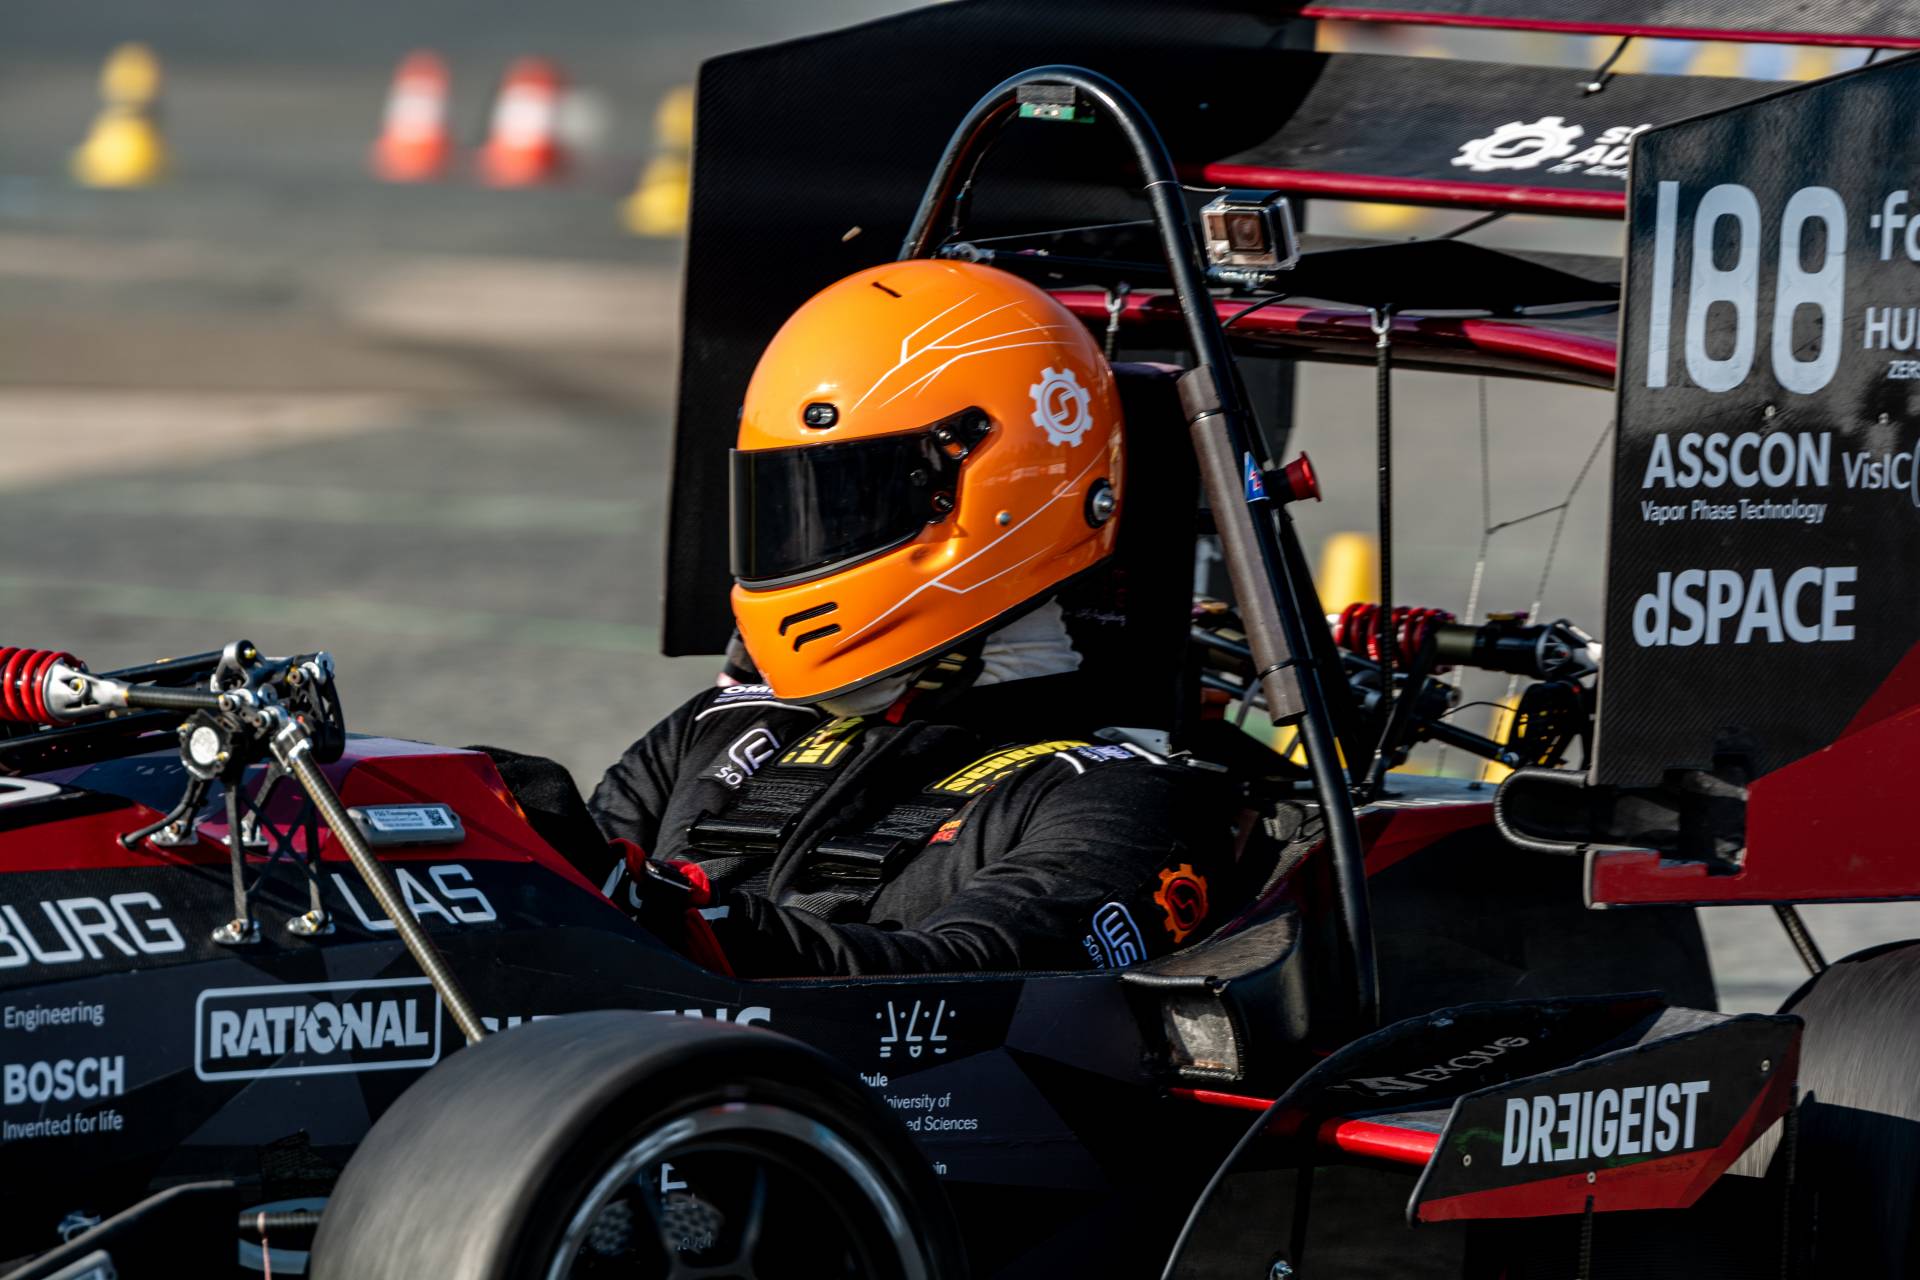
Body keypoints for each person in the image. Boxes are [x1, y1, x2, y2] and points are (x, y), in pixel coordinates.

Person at [532, 259, 1232, 978]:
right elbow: (552, 928)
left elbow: (969, 984)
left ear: (996, 498)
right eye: (790, 505)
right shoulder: (717, 727)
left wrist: (675, 915)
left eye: (847, 505)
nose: (806, 538)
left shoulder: (1123, 795)